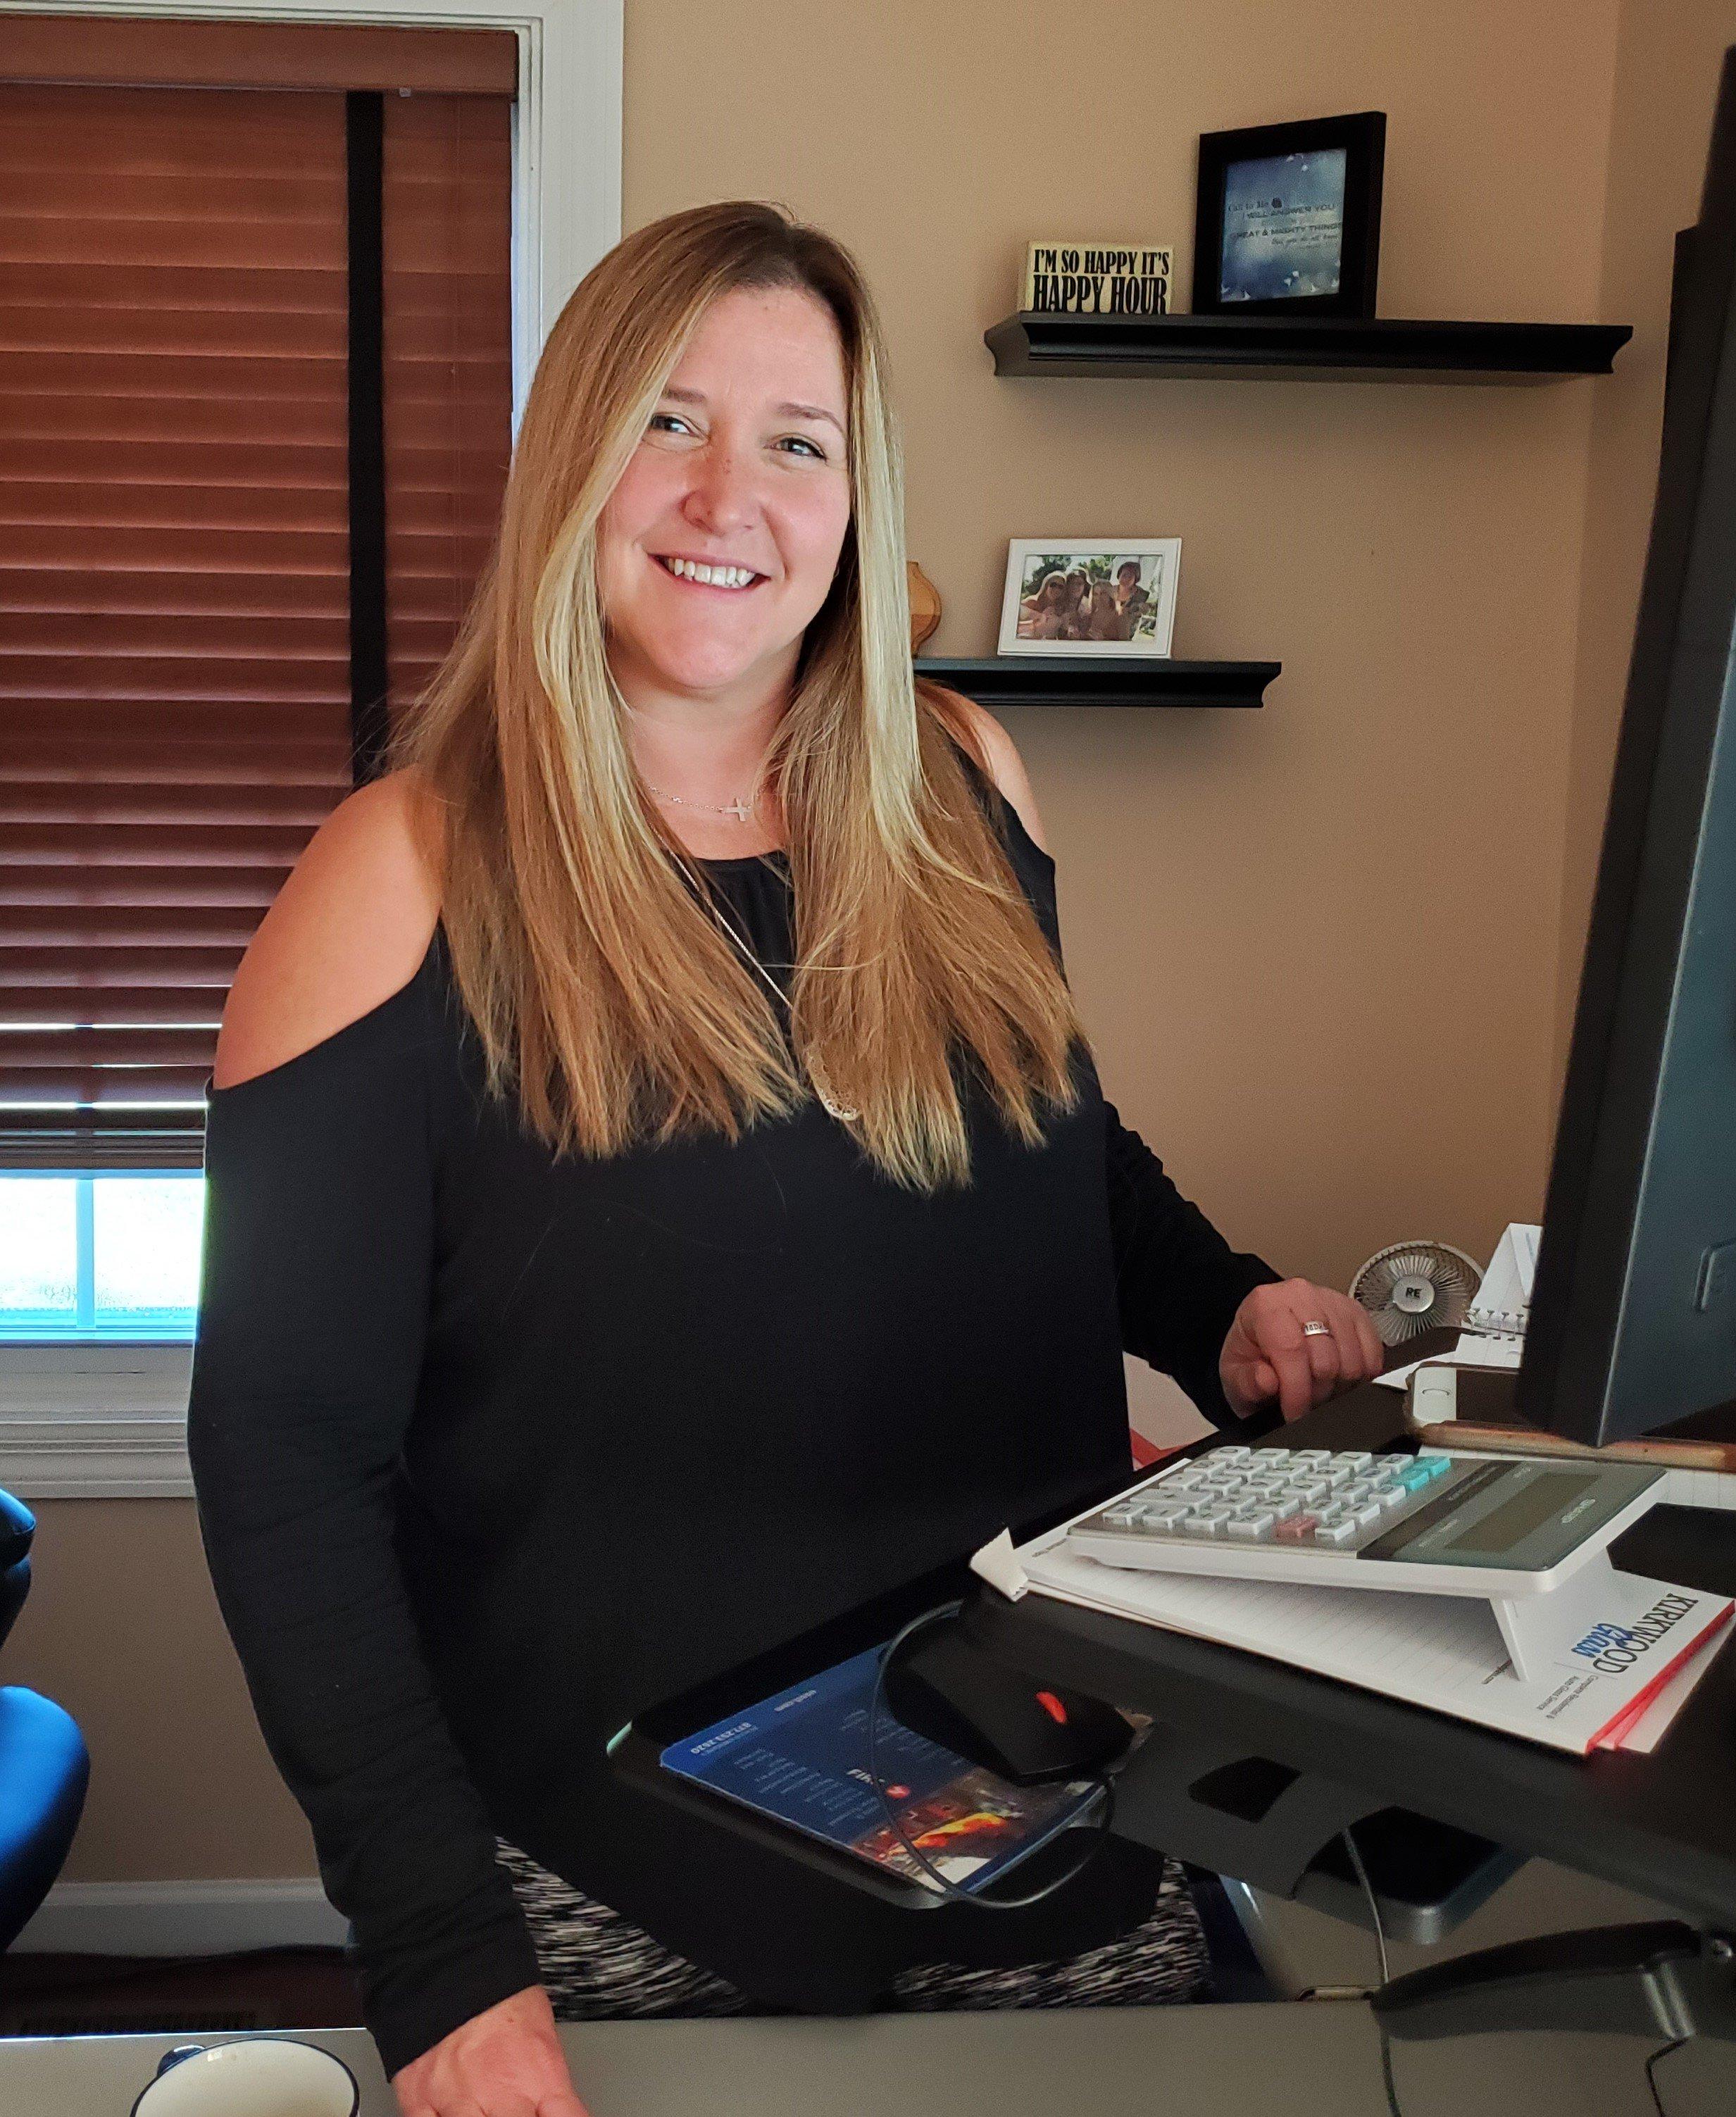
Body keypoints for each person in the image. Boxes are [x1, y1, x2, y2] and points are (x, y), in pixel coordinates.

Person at [186, 200, 1380, 2117]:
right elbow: (278, 1468)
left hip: (1051, 1821)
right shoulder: (399, 877)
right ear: (571, 458)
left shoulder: (963, 787)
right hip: (629, 1892)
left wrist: (1222, 1302)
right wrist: (435, 1964)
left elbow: (1049, 1146)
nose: (724, 492)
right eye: (666, 421)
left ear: (854, 496)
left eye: (795, 440)